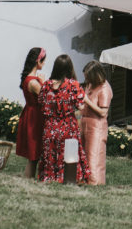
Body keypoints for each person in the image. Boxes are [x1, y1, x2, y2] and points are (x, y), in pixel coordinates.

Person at [38, 54, 91, 183]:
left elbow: (40, 103)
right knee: (68, 154)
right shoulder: (73, 85)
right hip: (68, 126)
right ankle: (69, 178)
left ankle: (49, 178)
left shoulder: (46, 85)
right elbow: (81, 106)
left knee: (50, 154)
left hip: (50, 127)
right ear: (69, 68)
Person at [15, 47, 46, 179]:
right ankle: (29, 179)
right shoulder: (34, 82)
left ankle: (30, 179)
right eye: (43, 61)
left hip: (30, 113)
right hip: (36, 116)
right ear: (38, 61)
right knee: (34, 153)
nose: (44, 64)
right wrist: (44, 82)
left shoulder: (28, 78)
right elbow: (46, 97)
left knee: (33, 154)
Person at [79, 60, 112, 185]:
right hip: (85, 123)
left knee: (94, 155)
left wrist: (87, 101)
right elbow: (85, 106)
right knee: (83, 154)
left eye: (88, 76)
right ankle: (83, 179)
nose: (86, 79)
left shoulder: (104, 89)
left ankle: (94, 182)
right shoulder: (90, 85)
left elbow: (103, 112)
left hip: (97, 126)